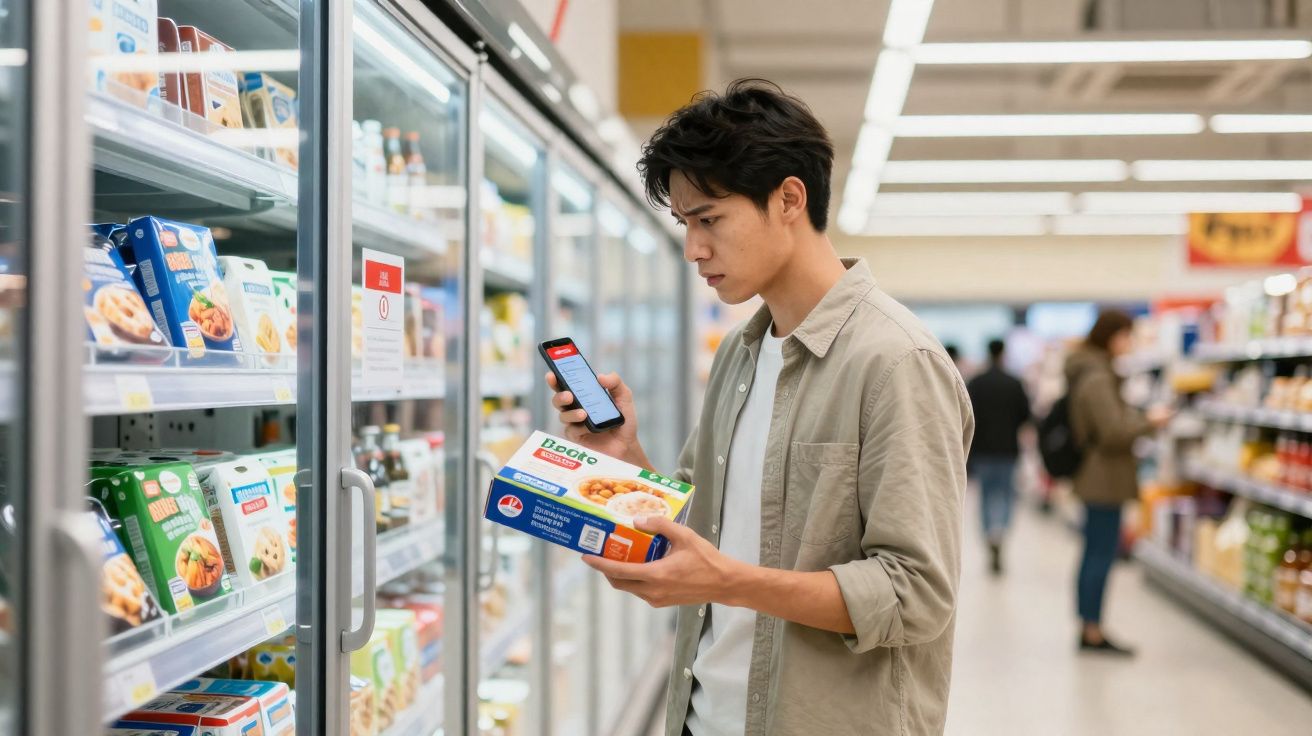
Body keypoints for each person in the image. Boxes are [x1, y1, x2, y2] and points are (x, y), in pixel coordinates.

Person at [545, 79, 973, 736]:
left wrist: (725, 581)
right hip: (705, 716)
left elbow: (915, 595)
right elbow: (706, 524)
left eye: (709, 218)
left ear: (789, 199)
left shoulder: (895, 361)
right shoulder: (741, 355)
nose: (693, 250)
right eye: (684, 225)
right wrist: (624, 456)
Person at [1065, 310, 1170, 656]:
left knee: (1094, 551)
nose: (1130, 343)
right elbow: (1111, 431)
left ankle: (1089, 625)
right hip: (1103, 478)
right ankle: (1092, 630)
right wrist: (1148, 421)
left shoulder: (1093, 370)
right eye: (1127, 335)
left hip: (1099, 476)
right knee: (1099, 554)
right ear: (1112, 336)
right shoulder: (1097, 376)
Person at [965, 338, 1031, 575]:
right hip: (1008, 450)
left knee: (985, 495)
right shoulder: (1014, 383)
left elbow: (967, 415)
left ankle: (988, 535)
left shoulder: (976, 383)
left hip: (982, 450)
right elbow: (1026, 415)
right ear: (1003, 354)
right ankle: (1000, 532)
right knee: (1006, 495)